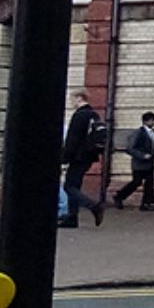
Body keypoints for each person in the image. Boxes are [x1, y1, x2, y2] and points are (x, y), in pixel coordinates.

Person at [60, 91, 104, 228]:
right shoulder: (93, 114)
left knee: (69, 186)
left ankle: (93, 206)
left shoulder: (79, 115)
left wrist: (64, 158)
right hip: (89, 156)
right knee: (75, 185)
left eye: (72, 99)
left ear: (79, 98)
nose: (71, 102)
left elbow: (73, 139)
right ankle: (72, 218)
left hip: (78, 156)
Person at [113, 111, 154, 211]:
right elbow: (130, 148)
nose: (153, 122)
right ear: (145, 121)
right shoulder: (138, 133)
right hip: (139, 164)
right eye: (151, 120)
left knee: (149, 183)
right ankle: (120, 196)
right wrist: (142, 155)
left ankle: (146, 204)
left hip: (149, 163)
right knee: (136, 182)